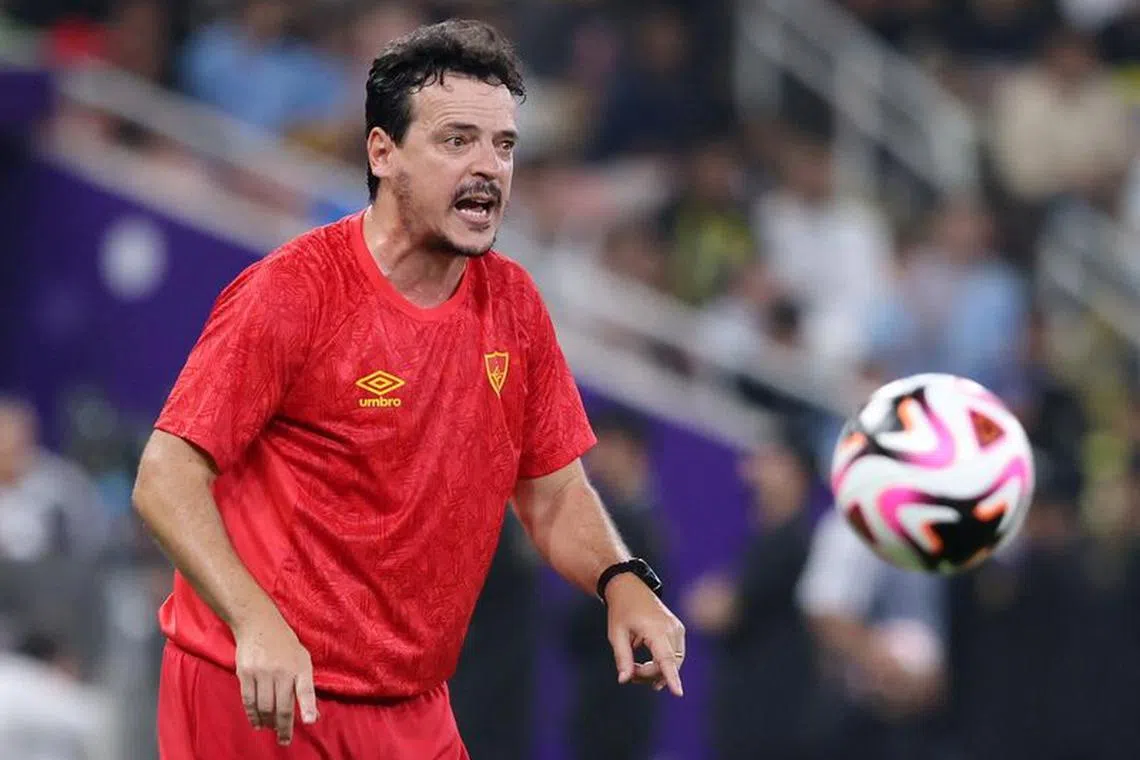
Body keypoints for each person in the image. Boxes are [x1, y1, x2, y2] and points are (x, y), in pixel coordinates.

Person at [132, 20, 685, 760]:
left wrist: (621, 578)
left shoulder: (515, 307)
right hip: (261, 687)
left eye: (504, 145)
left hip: (412, 706)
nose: (488, 167)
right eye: (457, 141)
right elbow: (165, 476)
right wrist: (253, 619)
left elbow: (552, 492)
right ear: (382, 152)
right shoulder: (294, 290)